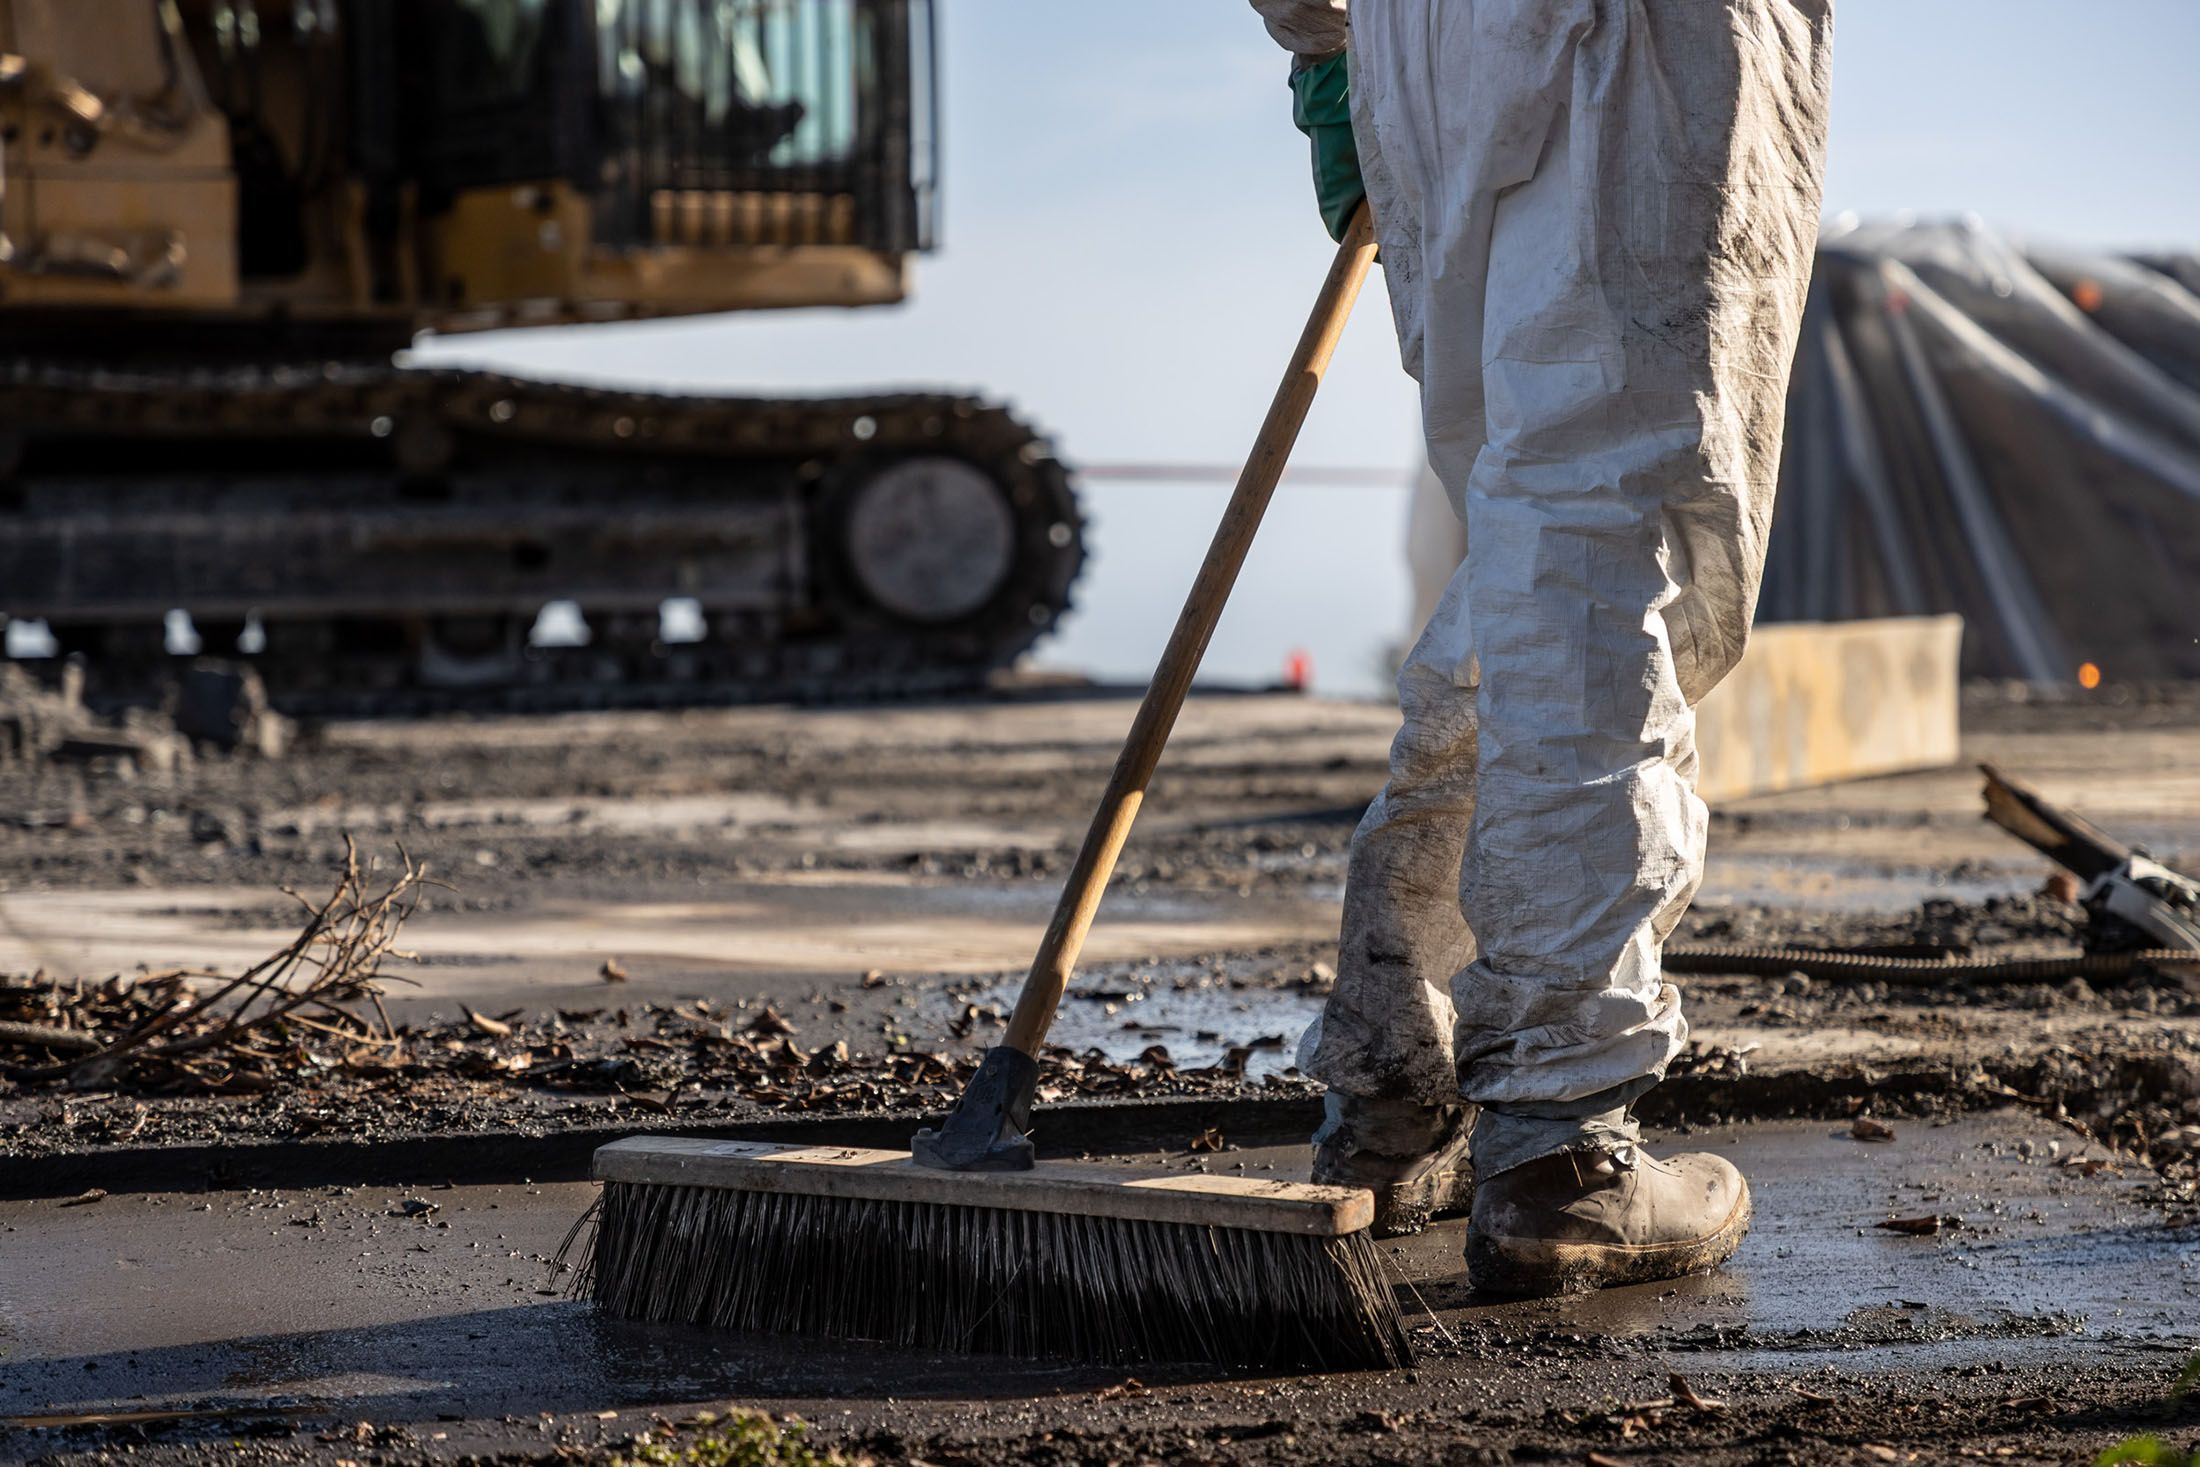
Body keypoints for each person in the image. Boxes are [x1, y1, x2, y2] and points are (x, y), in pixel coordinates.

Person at [1250, 0, 1833, 1295]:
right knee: (1608, 526)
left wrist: (1325, 46)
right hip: (1629, 42)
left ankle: (1401, 1052)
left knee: (1527, 525)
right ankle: (1562, 1146)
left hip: (1425, 50)